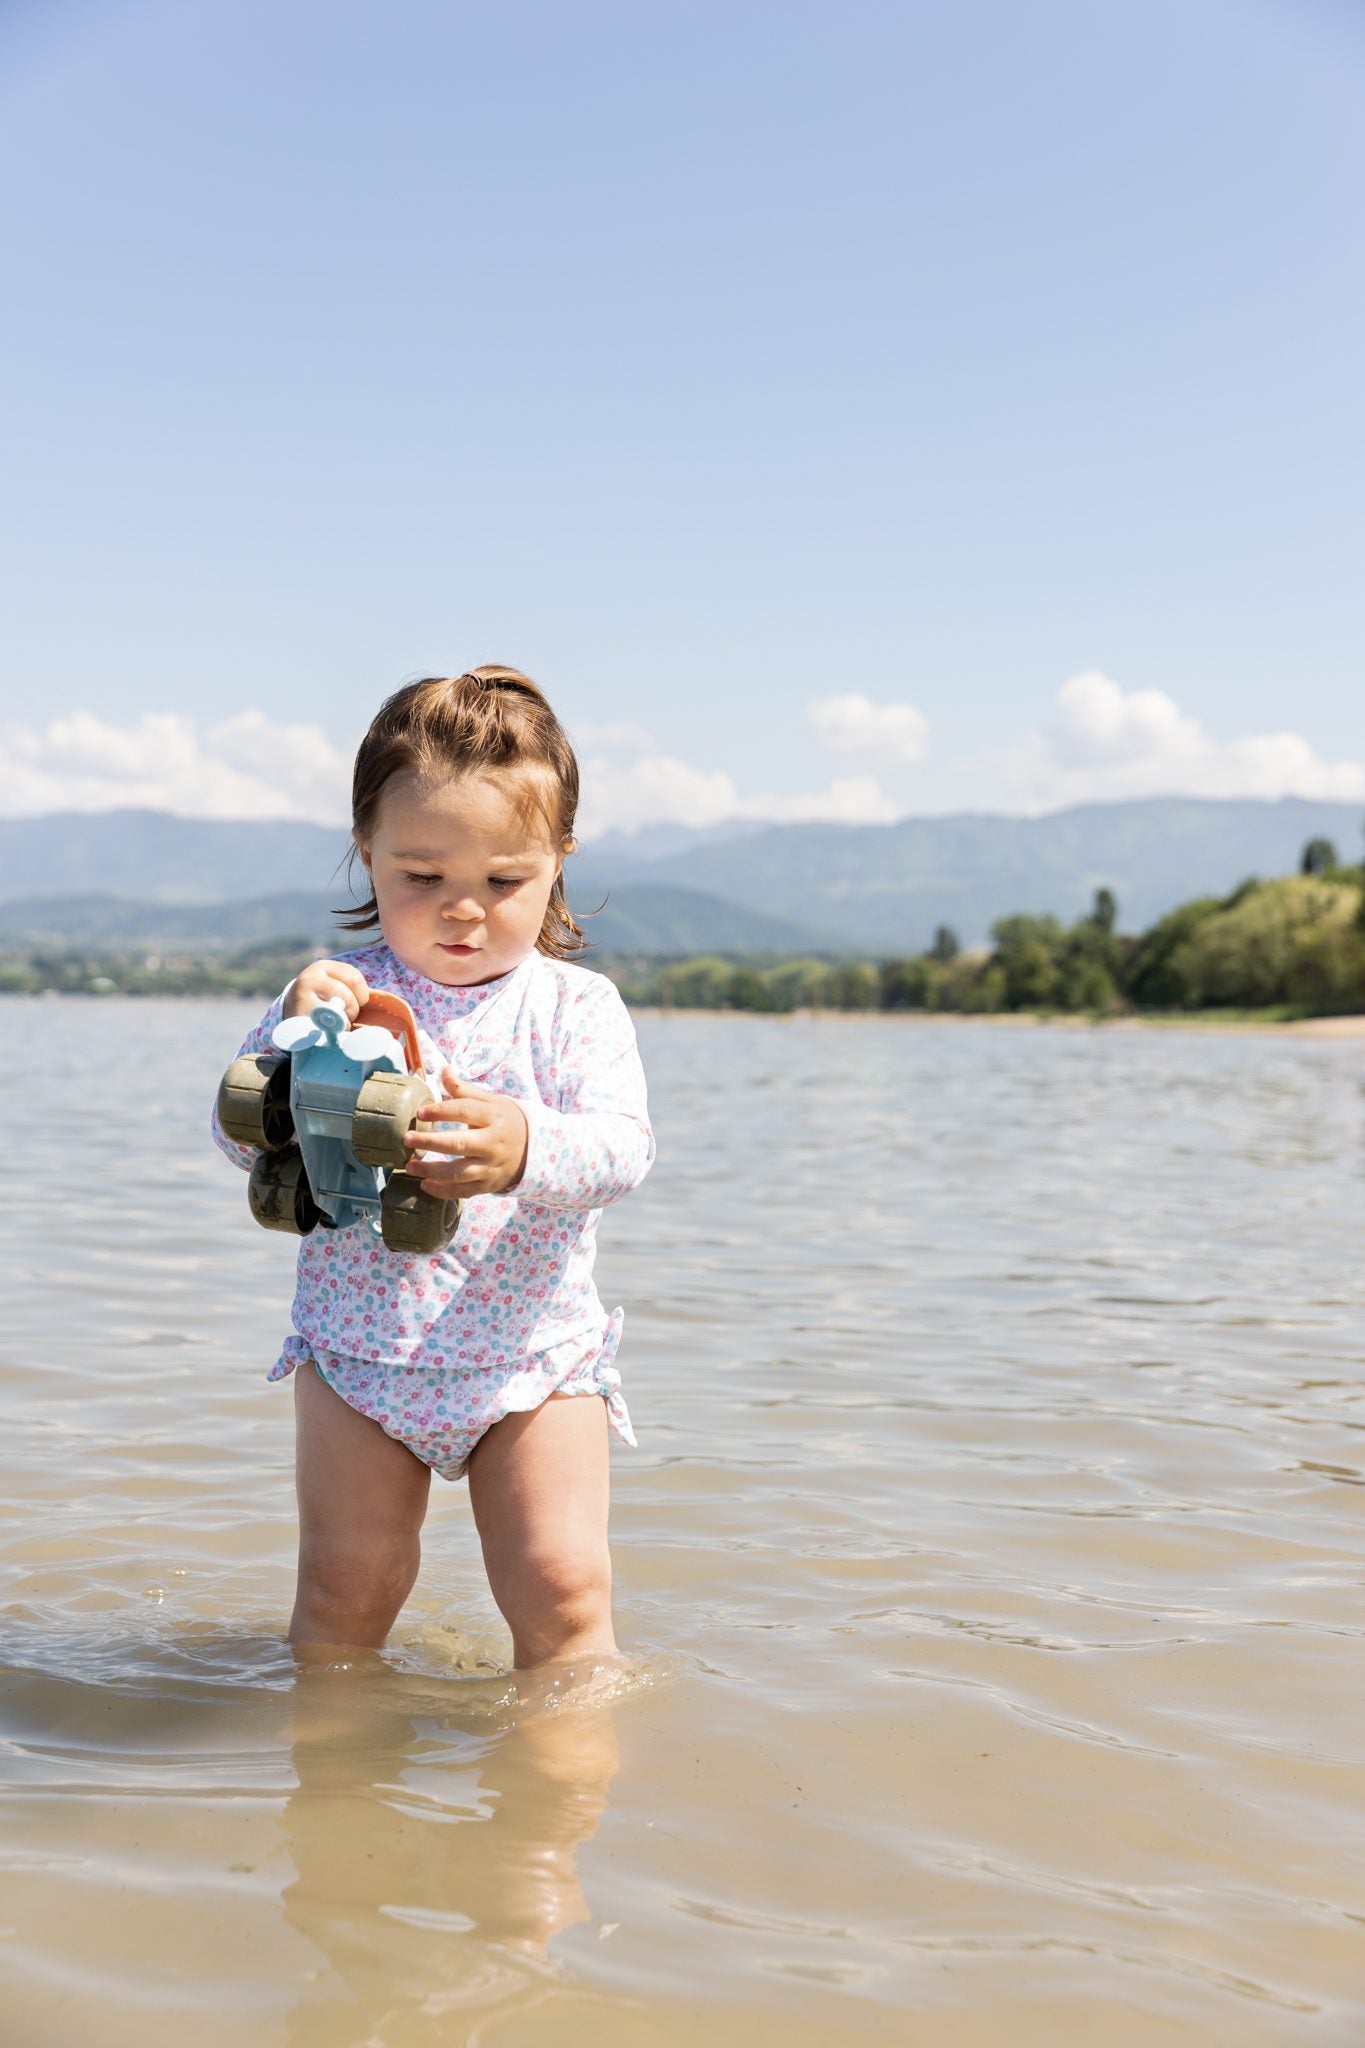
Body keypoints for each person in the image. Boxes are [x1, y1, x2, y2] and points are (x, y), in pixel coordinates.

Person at [212, 667, 654, 1669]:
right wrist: (289, 1040)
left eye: (504, 882)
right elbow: (240, 1140)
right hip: (360, 1354)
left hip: (532, 1357)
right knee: (343, 1585)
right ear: (367, 851)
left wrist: (524, 1145)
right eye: (421, 877)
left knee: (564, 1587)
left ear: (558, 859)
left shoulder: (576, 1008)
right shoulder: (338, 997)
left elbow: (624, 1148)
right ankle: (333, 1800)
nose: (464, 911)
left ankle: (558, 1818)